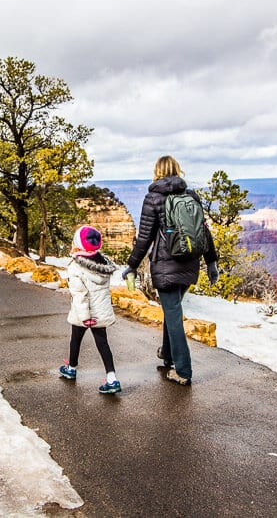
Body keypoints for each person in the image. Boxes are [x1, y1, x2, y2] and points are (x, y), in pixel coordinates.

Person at [122, 155, 218, 386]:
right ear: (177, 170)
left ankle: (183, 371)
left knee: (173, 315)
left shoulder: (153, 198)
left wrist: (132, 265)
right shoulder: (191, 196)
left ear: (157, 171)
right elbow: (203, 232)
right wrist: (212, 262)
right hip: (190, 264)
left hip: (165, 265)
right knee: (172, 309)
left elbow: (144, 238)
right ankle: (167, 354)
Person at [59, 225, 122, 394]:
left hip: (84, 313)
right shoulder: (101, 263)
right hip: (100, 311)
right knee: (103, 343)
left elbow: (80, 294)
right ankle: (112, 378)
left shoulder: (76, 266)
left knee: (76, 340)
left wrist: (85, 317)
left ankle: (71, 368)